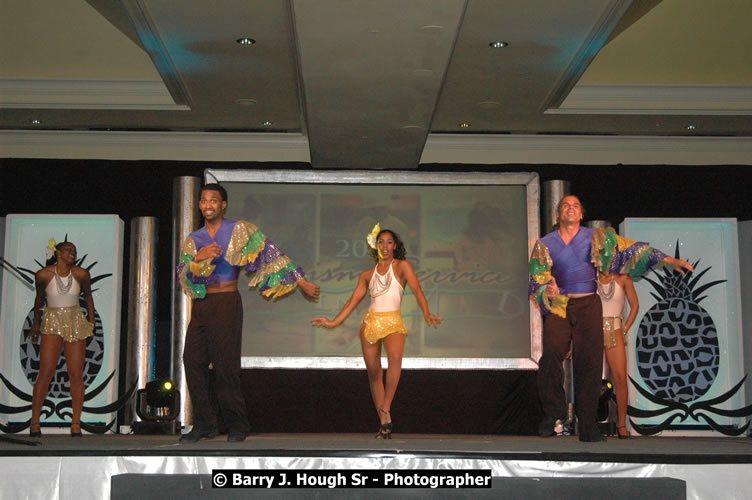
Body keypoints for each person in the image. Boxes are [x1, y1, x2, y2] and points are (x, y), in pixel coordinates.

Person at [528, 195, 693, 442]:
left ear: (581, 214)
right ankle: (554, 413)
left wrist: (668, 259)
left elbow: (632, 249)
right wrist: (546, 289)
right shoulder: (545, 243)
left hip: (588, 304)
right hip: (561, 305)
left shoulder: (595, 238)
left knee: (590, 363)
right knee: (551, 351)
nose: (570, 208)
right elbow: (536, 279)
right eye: (565, 205)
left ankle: (587, 426)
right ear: (558, 214)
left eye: (575, 205)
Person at [177, 183, 320, 443]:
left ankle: (237, 425)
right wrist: (199, 258)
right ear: (199, 205)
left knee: (225, 366)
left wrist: (301, 281)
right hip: (202, 306)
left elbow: (271, 252)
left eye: (213, 200)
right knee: (192, 361)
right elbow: (184, 277)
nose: (208, 205)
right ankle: (205, 424)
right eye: (204, 201)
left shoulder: (239, 229)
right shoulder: (193, 239)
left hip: (226, 303)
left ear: (223, 205)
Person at [311, 225, 441, 438]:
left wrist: (427, 313)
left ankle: (385, 407)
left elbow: (417, 289)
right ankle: (383, 423)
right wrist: (333, 322)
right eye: (381, 242)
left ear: (395, 245)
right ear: (376, 246)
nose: (385, 246)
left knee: (396, 359)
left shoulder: (402, 266)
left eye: (389, 242)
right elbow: (354, 300)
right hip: (371, 323)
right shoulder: (366, 275)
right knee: (374, 373)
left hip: (393, 322)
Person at [28, 241, 95, 437]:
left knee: (76, 373)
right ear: (57, 253)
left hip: (75, 320)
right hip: (51, 320)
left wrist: (92, 322)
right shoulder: (43, 275)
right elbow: (39, 299)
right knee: (45, 372)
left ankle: (75, 424)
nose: (72, 253)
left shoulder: (81, 274)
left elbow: (89, 297)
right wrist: (35, 324)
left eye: (74, 251)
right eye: (68, 250)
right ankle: (34, 423)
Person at [597, 270, 639, 439]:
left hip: (614, 329)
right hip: (593, 329)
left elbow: (635, 306)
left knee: (620, 377)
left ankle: (621, 424)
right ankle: (587, 421)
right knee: (587, 378)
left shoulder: (624, 279)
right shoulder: (590, 278)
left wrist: (625, 328)